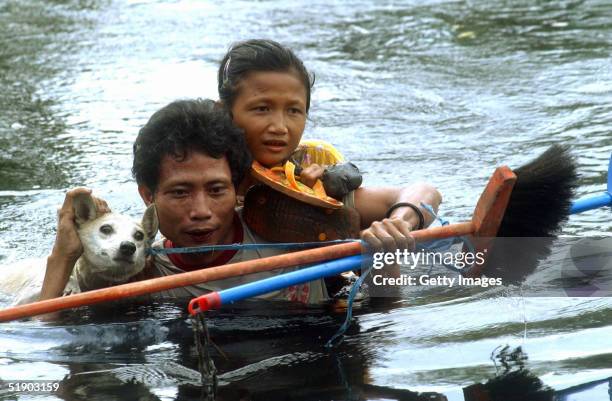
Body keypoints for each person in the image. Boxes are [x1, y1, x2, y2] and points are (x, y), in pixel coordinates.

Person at [217, 39, 442, 251]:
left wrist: (397, 223)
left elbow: (425, 192)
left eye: (294, 111)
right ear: (224, 113)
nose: (280, 127)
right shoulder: (201, 169)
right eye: (262, 108)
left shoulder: (310, 170)